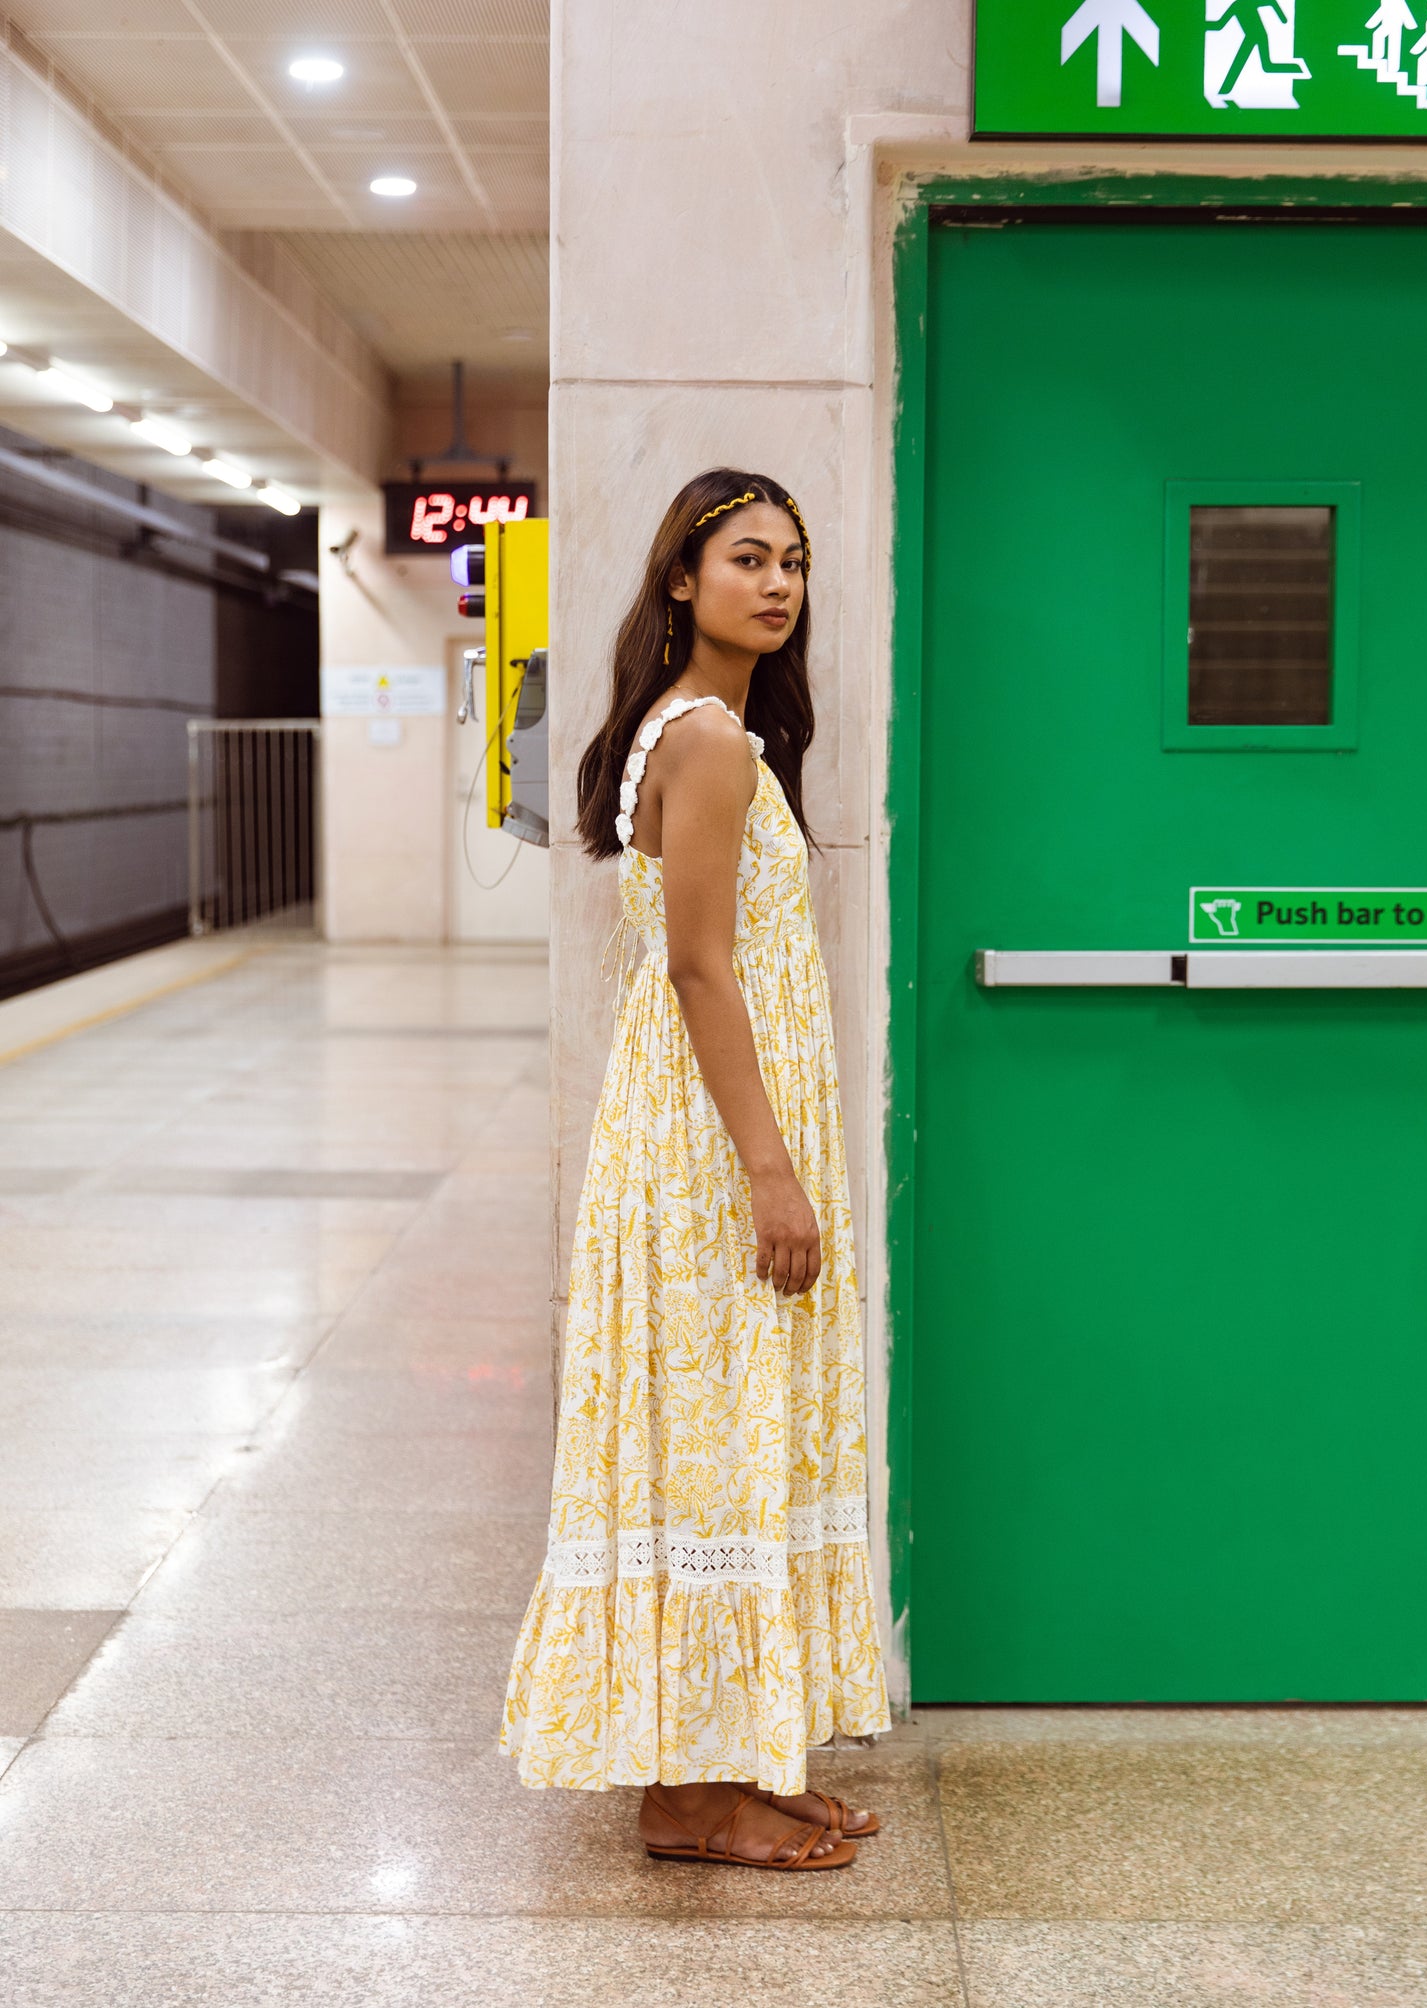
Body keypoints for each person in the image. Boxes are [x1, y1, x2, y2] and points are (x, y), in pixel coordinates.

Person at [500, 468, 891, 1870]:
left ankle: (735, 1756)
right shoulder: (710, 741)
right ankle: (682, 1795)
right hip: (714, 1152)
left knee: (732, 1437)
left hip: (703, 1132)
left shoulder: (697, 730)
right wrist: (773, 1174)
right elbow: (699, 965)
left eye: (792, 560)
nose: (777, 583)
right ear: (680, 579)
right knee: (711, 1444)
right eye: (744, 558)